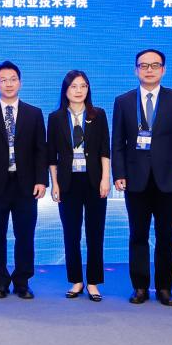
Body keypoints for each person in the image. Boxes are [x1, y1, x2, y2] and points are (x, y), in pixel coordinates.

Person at [111, 49, 172, 306]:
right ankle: (140, 287)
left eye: (155, 65)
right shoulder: (123, 101)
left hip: (169, 179)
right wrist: (119, 173)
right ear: (136, 70)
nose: (149, 70)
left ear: (163, 70)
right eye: (143, 65)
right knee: (138, 236)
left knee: (166, 238)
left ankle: (165, 288)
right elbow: (118, 143)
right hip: (135, 179)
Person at [0, 61, 47, 300]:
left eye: (13, 79)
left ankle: (22, 281)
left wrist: (41, 180)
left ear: (20, 83)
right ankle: (0, 281)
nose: (8, 84)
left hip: (26, 185)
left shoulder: (34, 113)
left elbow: (40, 150)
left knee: (25, 235)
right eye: (3, 80)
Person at [47, 70, 111, 302]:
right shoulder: (55, 118)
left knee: (95, 233)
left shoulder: (98, 115)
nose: (79, 90)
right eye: (74, 86)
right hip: (68, 182)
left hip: (94, 181)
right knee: (71, 233)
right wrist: (55, 184)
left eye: (83, 86)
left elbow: (105, 149)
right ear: (65, 90)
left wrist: (106, 179)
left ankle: (93, 282)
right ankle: (76, 280)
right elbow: (51, 155)